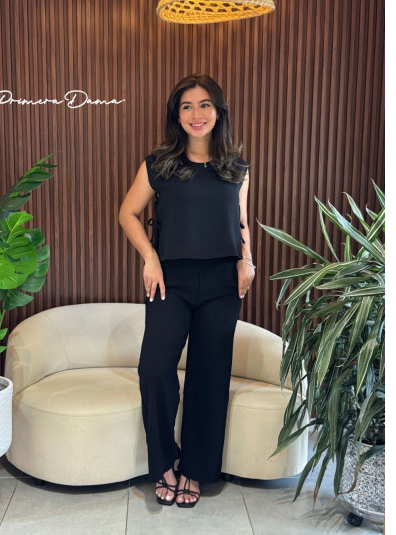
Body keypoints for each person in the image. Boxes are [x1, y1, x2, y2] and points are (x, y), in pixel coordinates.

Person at [118, 73, 255, 508]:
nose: (196, 114)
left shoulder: (236, 167)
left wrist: (248, 260)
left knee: (209, 376)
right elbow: (127, 213)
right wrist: (150, 257)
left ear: (219, 111)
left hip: (222, 282)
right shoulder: (158, 164)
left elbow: (240, 222)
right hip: (169, 281)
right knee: (155, 370)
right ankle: (163, 463)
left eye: (204, 105)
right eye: (187, 106)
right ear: (176, 115)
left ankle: (195, 469)